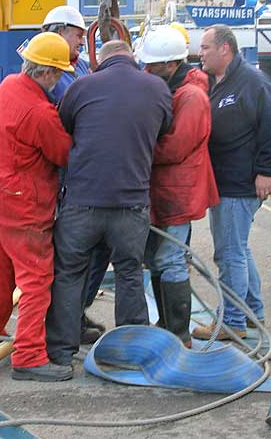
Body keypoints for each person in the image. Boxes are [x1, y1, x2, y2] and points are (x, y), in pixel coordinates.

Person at [45, 40, 172, 368]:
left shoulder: (80, 86)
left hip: (82, 202)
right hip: (131, 203)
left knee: (70, 274)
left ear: (100, 60)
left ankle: (61, 351)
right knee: (130, 272)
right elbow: (163, 130)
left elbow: (66, 125)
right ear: (132, 57)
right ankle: (130, 353)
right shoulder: (157, 88)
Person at [0, 32, 74, 382]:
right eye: (59, 73)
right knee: (36, 277)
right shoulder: (40, 112)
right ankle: (29, 355)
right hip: (22, 200)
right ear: (46, 72)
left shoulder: (9, 86)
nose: (61, 79)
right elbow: (63, 153)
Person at [192, 25, 271, 341]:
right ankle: (252, 312)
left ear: (225, 49)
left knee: (229, 253)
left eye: (205, 47)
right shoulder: (218, 82)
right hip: (225, 181)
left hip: (239, 183)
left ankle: (232, 321)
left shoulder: (253, 83)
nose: (200, 53)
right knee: (239, 250)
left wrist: (267, 171)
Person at [138, 28, 219, 346]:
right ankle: (166, 323)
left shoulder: (191, 97)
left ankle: (179, 333)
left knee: (171, 259)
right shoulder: (175, 90)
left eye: (152, 66)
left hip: (179, 191)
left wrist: (137, 150)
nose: (146, 70)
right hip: (167, 190)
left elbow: (175, 148)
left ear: (171, 64)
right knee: (160, 260)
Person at [42, 5, 107, 343]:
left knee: (97, 249)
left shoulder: (78, 66)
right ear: (58, 31)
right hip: (68, 173)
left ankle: (76, 313)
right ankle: (63, 324)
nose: (83, 40)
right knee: (72, 252)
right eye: (78, 34)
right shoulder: (48, 72)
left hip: (86, 168)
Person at [41, 6, 89, 102]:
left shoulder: (83, 65)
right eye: (79, 36)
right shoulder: (43, 73)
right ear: (60, 34)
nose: (82, 42)